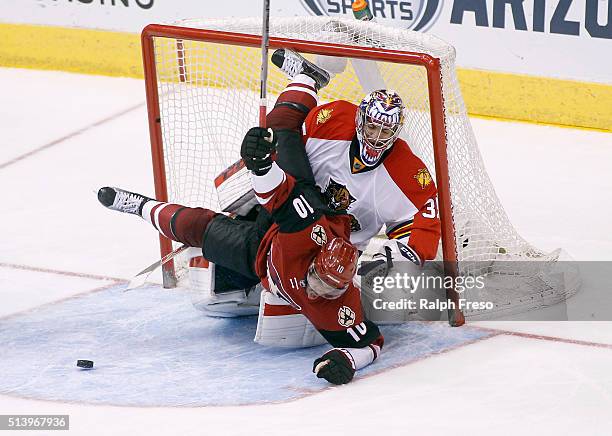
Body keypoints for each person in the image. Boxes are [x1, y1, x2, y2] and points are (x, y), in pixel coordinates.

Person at [98, 126, 384, 385]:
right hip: (275, 230)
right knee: (283, 131)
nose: (315, 291)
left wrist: (347, 360)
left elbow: (372, 344)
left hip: (256, 258)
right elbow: (280, 193)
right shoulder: (308, 228)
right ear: (315, 262)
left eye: (327, 290)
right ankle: (140, 206)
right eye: (317, 280)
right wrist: (260, 165)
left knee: (202, 230)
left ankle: (145, 208)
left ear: (342, 290)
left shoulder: (342, 309)